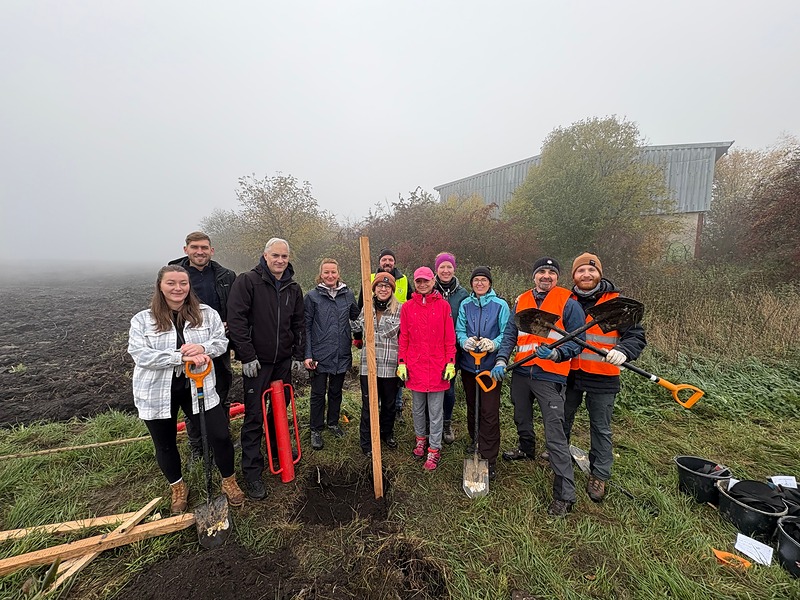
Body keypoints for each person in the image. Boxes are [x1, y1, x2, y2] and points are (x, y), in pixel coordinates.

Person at [127, 265, 245, 514]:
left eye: (183, 283)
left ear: (189, 286)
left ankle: (228, 480)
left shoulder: (206, 313)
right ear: (160, 285)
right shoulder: (143, 319)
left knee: (220, 436)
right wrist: (179, 357)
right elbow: (140, 354)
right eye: (171, 283)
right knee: (165, 443)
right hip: (158, 390)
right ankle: (178, 487)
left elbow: (221, 342)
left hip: (199, 384)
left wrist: (203, 349)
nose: (177, 288)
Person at [491, 257, 586, 516]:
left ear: (557, 277)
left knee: (555, 434)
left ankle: (565, 495)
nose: (546, 276)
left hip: (550, 375)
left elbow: (578, 341)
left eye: (551, 272)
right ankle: (526, 448)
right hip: (522, 371)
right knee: (521, 415)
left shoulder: (568, 302)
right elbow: (511, 333)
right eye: (541, 272)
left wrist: (556, 354)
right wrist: (501, 359)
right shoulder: (522, 300)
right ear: (534, 276)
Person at [564, 252, 646, 502]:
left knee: (600, 427)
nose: (586, 275)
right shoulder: (566, 300)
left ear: (599, 273)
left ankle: (599, 473)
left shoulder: (616, 304)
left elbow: (636, 336)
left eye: (591, 270)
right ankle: (557, 454)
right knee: (561, 418)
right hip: (570, 373)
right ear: (574, 276)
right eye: (580, 271)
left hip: (603, 375)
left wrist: (623, 351)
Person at [226, 238, 304, 500]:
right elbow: (236, 319)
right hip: (257, 363)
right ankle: (252, 471)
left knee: (279, 412)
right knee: (254, 416)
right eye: (275, 256)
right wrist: (246, 355)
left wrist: (297, 354)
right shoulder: (248, 281)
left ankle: (279, 452)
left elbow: (298, 322)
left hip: (283, 361)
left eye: (284, 256)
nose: (280, 260)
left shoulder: (293, 288)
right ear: (265, 256)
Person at [168, 231, 236, 465]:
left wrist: (229, 323)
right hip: (189, 348)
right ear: (185, 249)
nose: (200, 252)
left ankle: (221, 439)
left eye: (204, 247)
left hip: (218, 344)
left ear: (211, 250)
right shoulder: (174, 276)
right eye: (195, 247)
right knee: (192, 397)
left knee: (221, 392)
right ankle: (198, 446)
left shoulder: (226, 276)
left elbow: (234, 306)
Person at [397, 266, 456, 471]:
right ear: (415, 283)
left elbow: (450, 337)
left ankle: (435, 448)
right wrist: (402, 362)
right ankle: (421, 439)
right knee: (418, 408)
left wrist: (450, 361)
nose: (422, 285)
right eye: (419, 281)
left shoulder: (443, 306)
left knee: (436, 410)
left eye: (426, 281)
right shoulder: (407, 307)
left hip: (438, 366)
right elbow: (404, 336)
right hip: (415, 365)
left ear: (433, 281)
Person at [455, 266, 510, 481]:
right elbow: (460, 329)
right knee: (473, 406)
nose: (479, 283)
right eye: (476, 280)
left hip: (490, 368)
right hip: (470, 365)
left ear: (489, 283)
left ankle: (489, 456)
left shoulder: (500, 305)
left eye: (483, 280)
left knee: (489, 410)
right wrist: (464, 341)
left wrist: (493, 344)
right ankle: (474, 441)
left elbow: (506, 334)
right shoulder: (465, 304)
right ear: (471, 283)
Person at [304, 258, 360, 450]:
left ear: (338, 273)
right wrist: (308, 354)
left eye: (333, 272)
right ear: (321, 274)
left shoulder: (348, 295)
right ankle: (315, 429)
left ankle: (333, 423)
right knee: (318, 393)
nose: (330, 276)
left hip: (342, 352)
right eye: (326, 272)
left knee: (336, 392)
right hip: (319, 354)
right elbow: (307, 327)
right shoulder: (312, 297)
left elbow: (356, 318)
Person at [354, 248, 413, 422]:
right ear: (379, 262)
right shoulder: (369, 277)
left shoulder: (403, 280)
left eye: (391, 260)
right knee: (372, 396)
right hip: (373, 345)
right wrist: (358, 336)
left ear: (394, 262)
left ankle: (398, 410)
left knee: (392, 391)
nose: (387, 262)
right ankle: (373, 425)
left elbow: (410, 303)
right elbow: (360, 307)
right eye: (384, 260)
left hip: (394, 343)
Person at [352, 272, 402, 455]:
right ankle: (366, 442)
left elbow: (402, 337)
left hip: (390, 366)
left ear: (392, 290)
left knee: (389, 404)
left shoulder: (400, 309)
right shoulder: (366, 308)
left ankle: (386, 434)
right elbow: (357, 328)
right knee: (369, 404)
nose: (383, 289)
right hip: (368, 366)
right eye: (380, 286)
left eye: (387, 286)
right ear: (374, 288)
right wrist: (351, 312)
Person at [433, 252, 469, 445]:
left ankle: (446, 423)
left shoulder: (463, 294)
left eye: (449, 267)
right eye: (442, 267)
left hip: (453, 350)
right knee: (430, 388)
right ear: (436, 269)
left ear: (454, 269)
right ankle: (431, 423)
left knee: (448, 389)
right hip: (431, 349)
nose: (445, 271)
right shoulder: (430, 290)